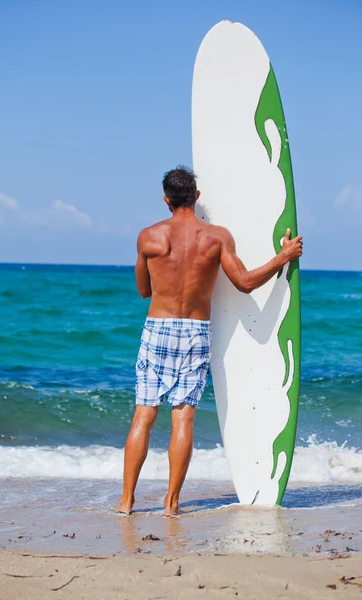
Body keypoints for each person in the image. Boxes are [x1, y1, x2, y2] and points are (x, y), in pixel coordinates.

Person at [118, 166, 303, 516]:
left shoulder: (148, 237)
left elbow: (143, 291)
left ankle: (126, 503)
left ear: (166, 199)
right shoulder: (216, 237)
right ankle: (172, 504)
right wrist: (283, 257)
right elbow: (245, 283)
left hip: (157, 327)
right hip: (196, 331)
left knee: (143, 414)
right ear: (197, 197)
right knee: (183, 418)